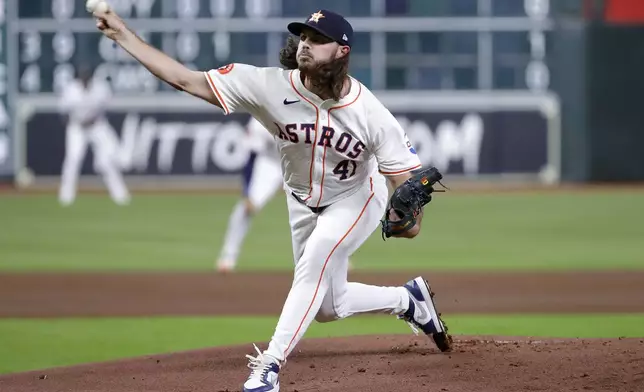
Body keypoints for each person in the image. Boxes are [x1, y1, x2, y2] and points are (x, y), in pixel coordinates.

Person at [91, 7, 452, 391]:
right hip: (300, 201)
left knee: (316, 258)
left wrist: (407, 218)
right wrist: (122, 35)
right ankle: (408, 300)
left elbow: (407, 198)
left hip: (355, 197)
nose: (306, 45)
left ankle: (268, 367)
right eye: (304, 37)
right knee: (328, 307)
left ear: (342, 52)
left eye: (317, 40)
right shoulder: (268, 85)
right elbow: (185, 80)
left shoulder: (370, 113)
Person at [216, 117, 284, 273]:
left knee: (318, 209)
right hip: (270, 163)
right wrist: (247, 192)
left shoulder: (304, 108)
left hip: (300, 162)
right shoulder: (260, 118)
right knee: (245, 208)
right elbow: (251, 158)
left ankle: (332, 259)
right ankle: (228, 256)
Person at [57, 65, 130, 206]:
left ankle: (120, 195)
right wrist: (72, 123)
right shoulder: (71, 89)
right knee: (73, 159)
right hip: (77, 127)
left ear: (91, 77)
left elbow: (109, 107)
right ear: (78, 78)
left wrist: (96, 118)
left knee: (107, 161)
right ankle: (66, 197)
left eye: (87, 76)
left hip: (97, 125)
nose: (85, 79)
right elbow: (63, 111)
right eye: (82, 76)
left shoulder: (100, 88)